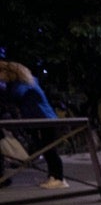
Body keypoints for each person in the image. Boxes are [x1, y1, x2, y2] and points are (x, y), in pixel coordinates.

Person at [0, 60, 68, 188]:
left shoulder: (23, 84)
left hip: (44, 119)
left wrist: (5, 88)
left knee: (50, 150)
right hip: (42, 118)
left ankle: (59, 178)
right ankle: (53, 177)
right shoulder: (29, 81)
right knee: (46, 149)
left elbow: (16, 95)